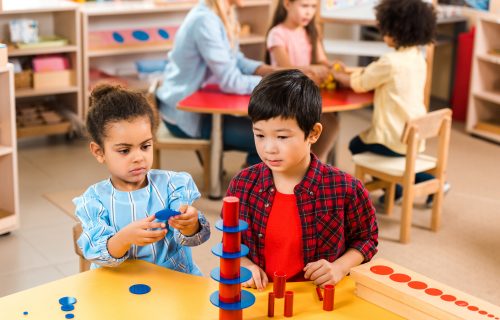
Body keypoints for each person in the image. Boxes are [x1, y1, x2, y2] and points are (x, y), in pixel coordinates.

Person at [225, 70, 378, 289]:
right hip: (261, 296)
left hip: (317, 299)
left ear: (314, 133)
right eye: (260, 135)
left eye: (282, 137)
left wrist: (340, 267)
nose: (269, 148)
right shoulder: (241, 185)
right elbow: (230, 242)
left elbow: (367, 239)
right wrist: (244, 264)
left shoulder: (346, 189)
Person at [74, 84, 210, 275]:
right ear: (99, 152)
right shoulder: (94, 200)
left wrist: (191, 225)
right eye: (124, 150)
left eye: (145, 146)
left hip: (174, 284)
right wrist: (124, 238)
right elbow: (95, 254)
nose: (139, 157)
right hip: (120, 287)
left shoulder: (173, 186)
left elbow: (193, 239)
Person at [332, 0, 448, 207]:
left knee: (355, 145)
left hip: (391, 139)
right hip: (414, 138)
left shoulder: (390, 62)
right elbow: (374, 76)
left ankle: (414, 183)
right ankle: (395, 189)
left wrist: (339, 76)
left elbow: (360, 84)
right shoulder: (417, 58)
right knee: (375, 149)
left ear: (394, 32)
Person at [156, 0, 277, 166]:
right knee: (271, 139)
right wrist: (274, 83)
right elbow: (231, 81)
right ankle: (249, 183)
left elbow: (235, 59)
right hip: (185, 118)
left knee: (270, 129)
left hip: (198, 110)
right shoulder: (205, 21)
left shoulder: (221, 13)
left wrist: (270, 71)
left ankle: (250, 177)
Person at [266, 0, 339, 163]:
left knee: (329, 124)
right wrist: (313, 68)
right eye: (304, 6)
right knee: (324, 124)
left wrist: (333, 66)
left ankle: (313, 167)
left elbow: (322, 61)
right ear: (287, 4)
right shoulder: (277, 34)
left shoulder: (311, 32)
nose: (309, 12)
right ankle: (310, 167)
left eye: (313, 7)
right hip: (285, 98)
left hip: (306, 95)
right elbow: (287, 70)